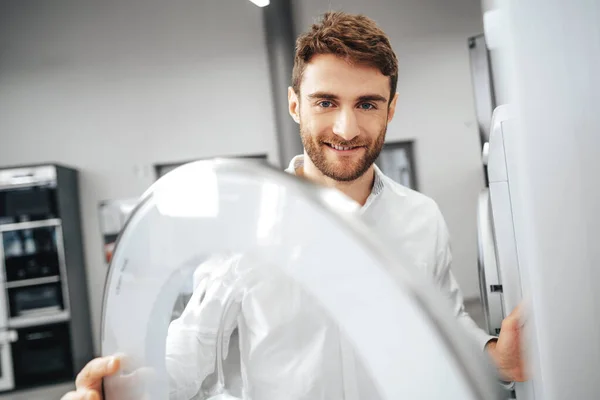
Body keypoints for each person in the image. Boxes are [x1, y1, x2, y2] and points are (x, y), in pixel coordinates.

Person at [62, 11, 525, 400]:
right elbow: (192, 345)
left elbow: (445, 320)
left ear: (392, 107)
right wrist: (126, 388)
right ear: (294, 105)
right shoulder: (245, 224)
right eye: (326, 101)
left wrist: (494, 357)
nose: (346, 129)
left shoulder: (420, 217)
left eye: (367, 104)